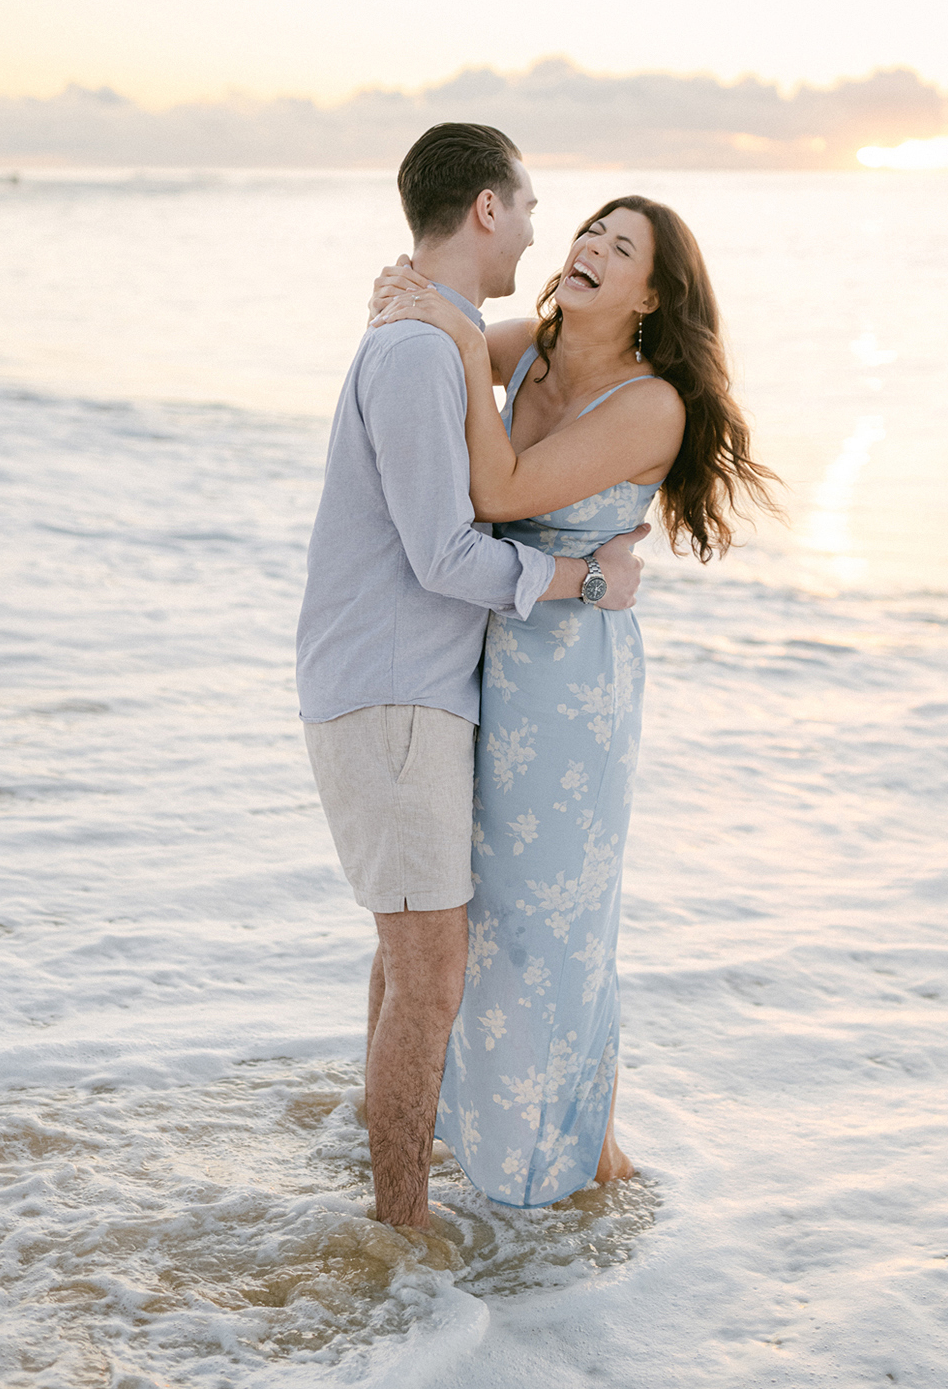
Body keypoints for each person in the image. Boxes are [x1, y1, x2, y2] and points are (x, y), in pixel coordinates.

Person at [370, 194, 781, 1206]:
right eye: (590, 231)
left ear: (652, 294)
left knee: (549, 920)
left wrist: (459, 346)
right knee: (456, 908)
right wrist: (407, 299)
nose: (591, 247)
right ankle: (443, 1128)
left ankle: (567, 1170)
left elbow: (501, 491)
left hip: (567, 684)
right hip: (476, 653)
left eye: (621, 245)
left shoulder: (654, 404)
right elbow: (442, 337)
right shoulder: (536, 348)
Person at [296, 124, 649, 1232]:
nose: (548, 232)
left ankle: (388, 1170)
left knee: (410, 957)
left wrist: (434, 311)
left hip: (421, 687)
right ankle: (398, 1222)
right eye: (538, 208)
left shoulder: (440, 336)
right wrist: (586, 575)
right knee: (432, 975)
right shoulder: (416, 352)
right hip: (396, 690)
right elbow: (445, 551)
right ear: (488, 210)